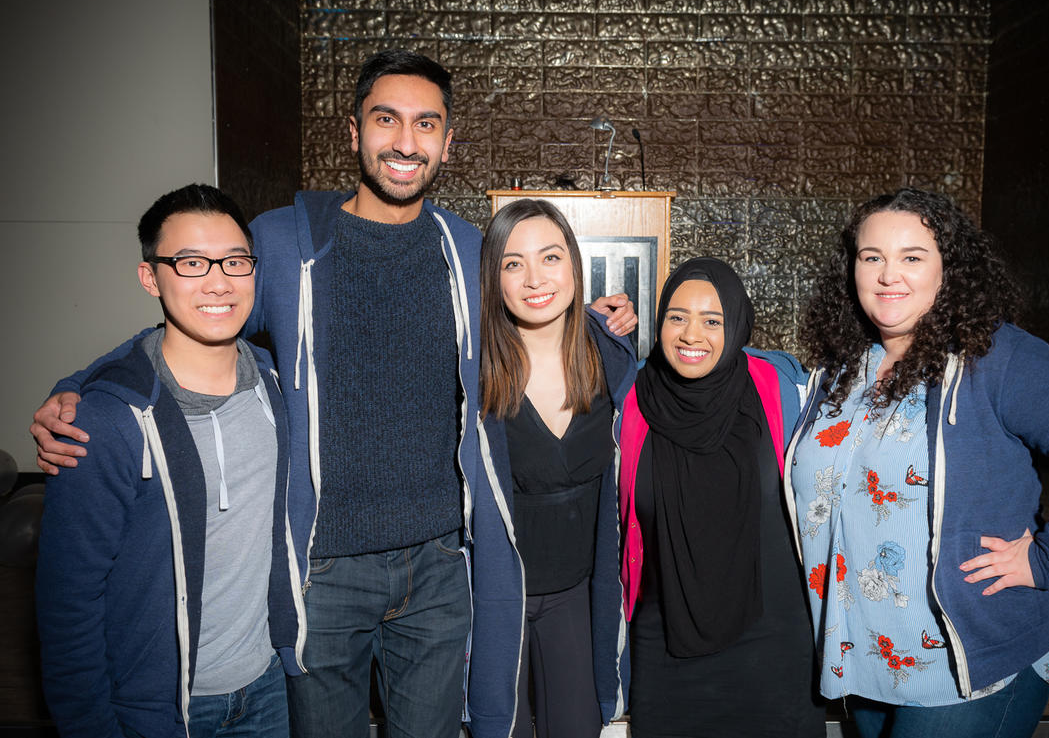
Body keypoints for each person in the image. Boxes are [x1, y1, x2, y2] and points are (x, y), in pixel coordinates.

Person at [30, 50, 633, 738]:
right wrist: (77, 385)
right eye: (387, 120)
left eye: (426, 124)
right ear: (354, 132)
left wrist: (607, 320)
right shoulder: (284, 244)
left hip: (438, 567)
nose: (406, 141)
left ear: (446, 143)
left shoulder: (467, 251)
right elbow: (199, 313)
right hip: (320, 572)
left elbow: (538, 299)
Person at [786, 187, 1049, 738]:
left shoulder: (994, 357)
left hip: (967, 667)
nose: (888, 275)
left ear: (949, 270)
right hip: (865, 660)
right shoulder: (843, 372)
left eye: (912, 257)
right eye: (871, 257)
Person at [36, 184, 302, 738]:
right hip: (159, 707)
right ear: (150, 277)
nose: (218, 281)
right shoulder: (103, 424)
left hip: (267, 687)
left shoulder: (276, 384)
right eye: (190, 262)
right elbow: (69, 607)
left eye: (234, 260)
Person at [618, 258, 826, 738]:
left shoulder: (785, 391)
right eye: (677, 317)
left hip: (775, 646)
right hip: (664, 643)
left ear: (736, 325)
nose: (692, 335)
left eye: (713, 320)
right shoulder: (631, 398)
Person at [478, 200, 637, 738]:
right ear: (492, 275)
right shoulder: (469, 368)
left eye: (550, 257)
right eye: (513, 263)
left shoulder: (612, 355)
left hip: (576, 594)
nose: (535, 278)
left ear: (574, 264)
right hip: (491, 598)